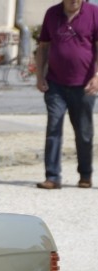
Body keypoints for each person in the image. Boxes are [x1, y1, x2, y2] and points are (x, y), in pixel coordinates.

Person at [35, 0, 98, 189]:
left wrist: (97, 76)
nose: (75, 1)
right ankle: (52, 177)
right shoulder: (52, 13)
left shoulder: (94, 13)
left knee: (84, 132)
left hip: (84, 85)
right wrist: (39, 76)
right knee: (53, 128)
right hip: (55, 84)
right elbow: (44, 47)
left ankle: (85, 174)